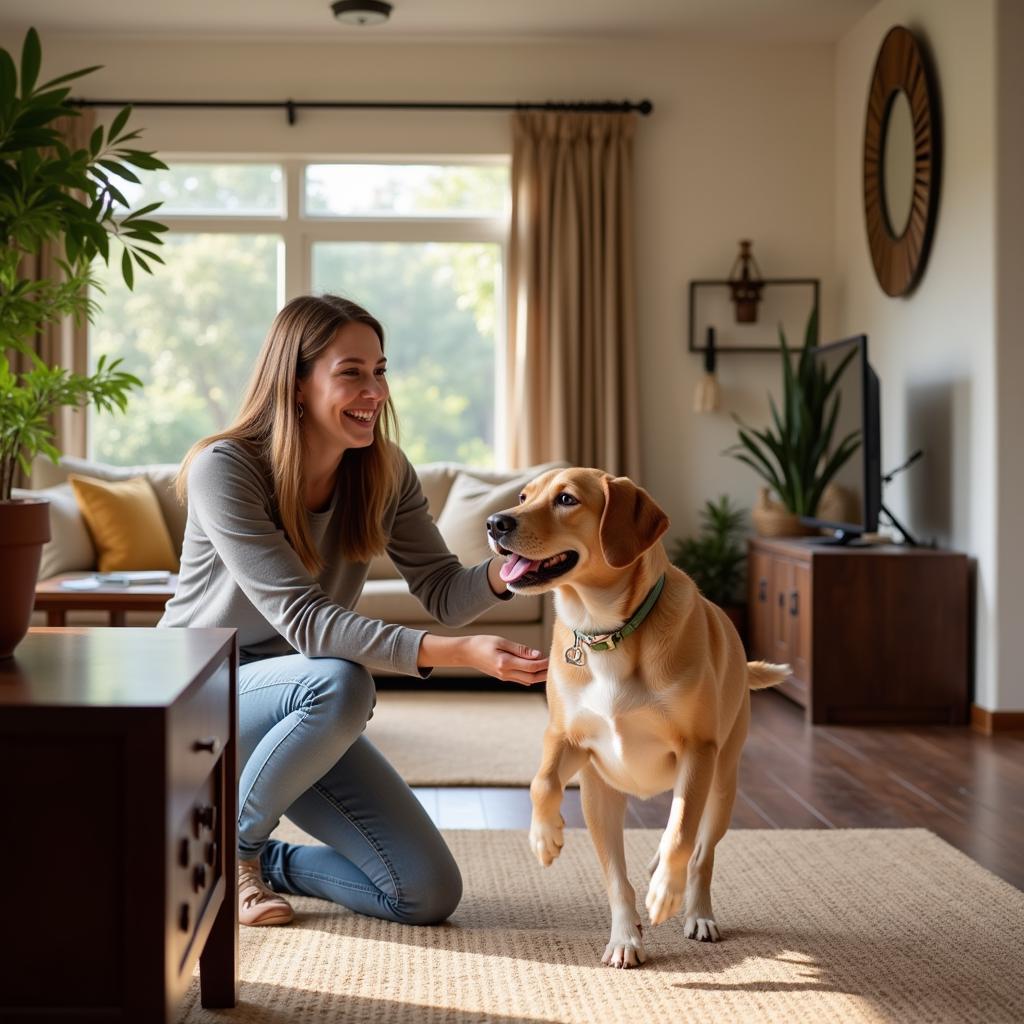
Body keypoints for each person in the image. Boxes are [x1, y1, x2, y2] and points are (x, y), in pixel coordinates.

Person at [159, 294, 548, 927]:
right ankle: (230, 850)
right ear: (296, 381)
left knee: (423, 893)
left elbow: (445, 592)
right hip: (200, 688)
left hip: (300, 700)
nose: (376, 390)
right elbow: (308, 622)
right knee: (341, 682)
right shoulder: (224, 468)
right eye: (352, 371)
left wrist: (518, 570)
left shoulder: (384, 471)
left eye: (381, 369)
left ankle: (268, 860)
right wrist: (456, 655)